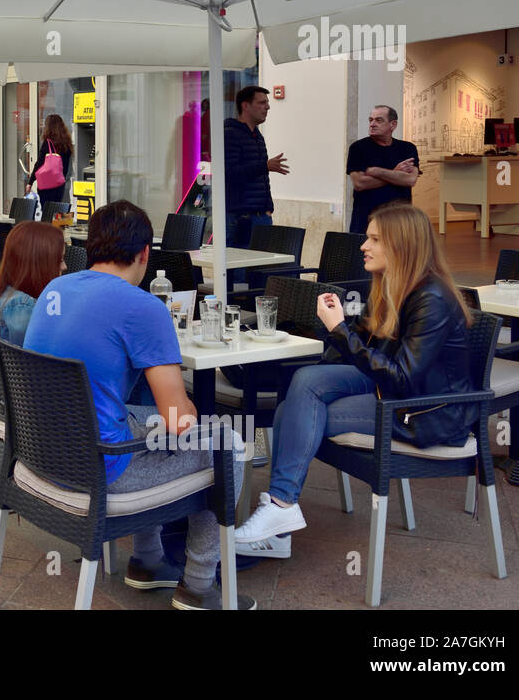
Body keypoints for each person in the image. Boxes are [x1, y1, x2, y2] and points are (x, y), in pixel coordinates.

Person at [24, 200, 250, 610]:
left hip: (43, 456)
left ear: (89, 246)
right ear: (145, 254)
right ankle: (199, 585)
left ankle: (147, 562)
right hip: (99, 468)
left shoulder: (54, 289)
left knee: (144, 419)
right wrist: (196, 423)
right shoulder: (143, 306)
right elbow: (179, 420)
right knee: (227, 445)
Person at [235, 202, 473, 559]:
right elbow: (367, 350)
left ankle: (280, 510)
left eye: (375, 239)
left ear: (402, 246)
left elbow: (403, 380)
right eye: (368, 237)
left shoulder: (431, 298)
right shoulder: (392, 286)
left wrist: (340, 330)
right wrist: (340, 327)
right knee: (305, 382)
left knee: (295, 413)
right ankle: (280, 516)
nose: (364, 245)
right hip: (390, 390)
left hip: (427, 411)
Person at [224, 85, 289, 284]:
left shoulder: (256, 135)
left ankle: (254, 307)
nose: (267, 107)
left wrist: (268, 208)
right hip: (242, 216)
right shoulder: (230, 134)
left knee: (260, 271)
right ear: (246, 106)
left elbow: (259, 176)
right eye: (262, 103)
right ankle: (241, 309)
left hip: (260, 215)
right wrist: (265, 166)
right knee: (240, 275)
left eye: (268, 103)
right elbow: (229, 173)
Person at [0, 220, 65, 345]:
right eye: (60, 260)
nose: (64, 266)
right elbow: (27, 357)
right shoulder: (22, 307)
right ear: (38, 264)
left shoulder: (6, 293)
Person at [347, 105, 419, 234]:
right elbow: (359, 183)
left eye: (379, 120)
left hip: (399, 219)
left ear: (393, 124)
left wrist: (377, 172)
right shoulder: (358, 148)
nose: (372, 124)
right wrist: (396, 174)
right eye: (370, 120)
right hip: (366, 220)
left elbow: (410, 180)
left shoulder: (408, 148)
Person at [26, 113, 73, 208]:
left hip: (46, 184)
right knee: (55, 211)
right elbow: (66, 167)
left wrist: (30, 182)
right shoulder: (66, 143)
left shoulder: (47, 143)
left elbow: (39, 164)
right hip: (59, 184)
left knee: (46, 210)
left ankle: (47, 223)